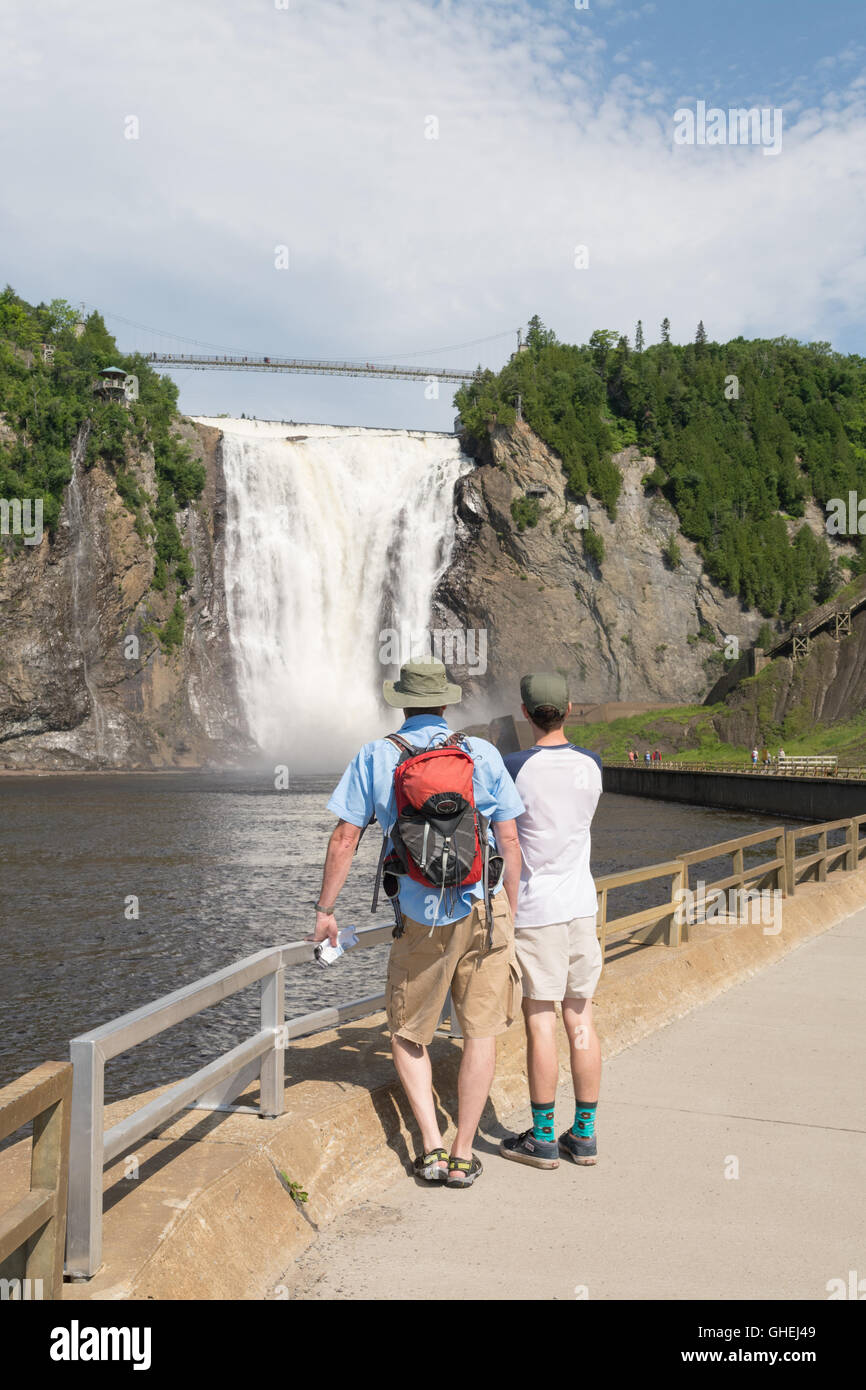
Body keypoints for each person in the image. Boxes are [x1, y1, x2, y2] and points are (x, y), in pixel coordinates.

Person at [311, 658, 524, 1189]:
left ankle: (428, 1146)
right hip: (483, 909)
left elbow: (345, 837)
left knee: (407, 1031)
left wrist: (325, 910)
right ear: (447, 703)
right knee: (480, 1032)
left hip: (420, 915)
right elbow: (511, 840)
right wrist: (510, 908)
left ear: (400, 702)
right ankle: (463, 1152)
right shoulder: (481, 753)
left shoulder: (376, 756)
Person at [498, 673, 603, 1169]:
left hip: (537, 912)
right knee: (579, 1018)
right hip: (582, 906)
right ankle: (583, 1135)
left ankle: (541, 1138)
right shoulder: (593, 764)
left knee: (540, 1022)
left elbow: (507, 839)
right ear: (569, 707)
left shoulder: (514, 767)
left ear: (525, 712)